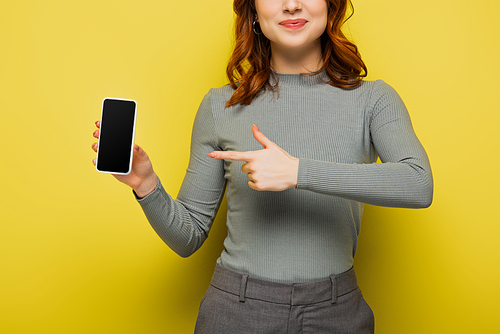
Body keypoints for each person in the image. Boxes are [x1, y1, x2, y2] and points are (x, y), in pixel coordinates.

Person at [91, 0, 433, 333]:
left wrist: (296, 172)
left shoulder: (372, 99)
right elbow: (188, 237)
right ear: (253, 11)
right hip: (237, 311)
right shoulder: (219, 106)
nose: (292, 5)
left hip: (335, 311)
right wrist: (146, 185)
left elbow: (418, 183)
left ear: (331, 6)